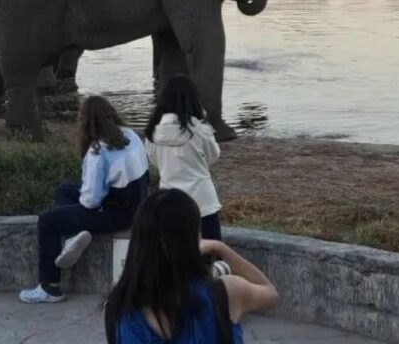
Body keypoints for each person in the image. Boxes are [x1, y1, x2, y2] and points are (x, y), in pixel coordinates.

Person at [19, 96, 149, 303]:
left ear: (85, 121)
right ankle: (77, 232)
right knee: (64, 191)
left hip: (117, 214)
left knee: (47, 221)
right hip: (139, 206)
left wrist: (87, 205)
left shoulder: (98, 151)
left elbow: (90, 201)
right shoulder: (131, 136)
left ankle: (50, 287)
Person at [105, 188, 279, 343]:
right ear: (192, 241)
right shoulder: (225, 294)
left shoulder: (117, 309)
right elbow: (270, 293)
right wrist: (221, 248)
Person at [144, 75, 223, 240]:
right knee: (211, 252)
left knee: (173, 252)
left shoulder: (152, 132)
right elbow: (213, 156)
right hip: (202, 201)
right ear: (194, 98)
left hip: (168, 200)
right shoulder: (200, 130)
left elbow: (154, 161)